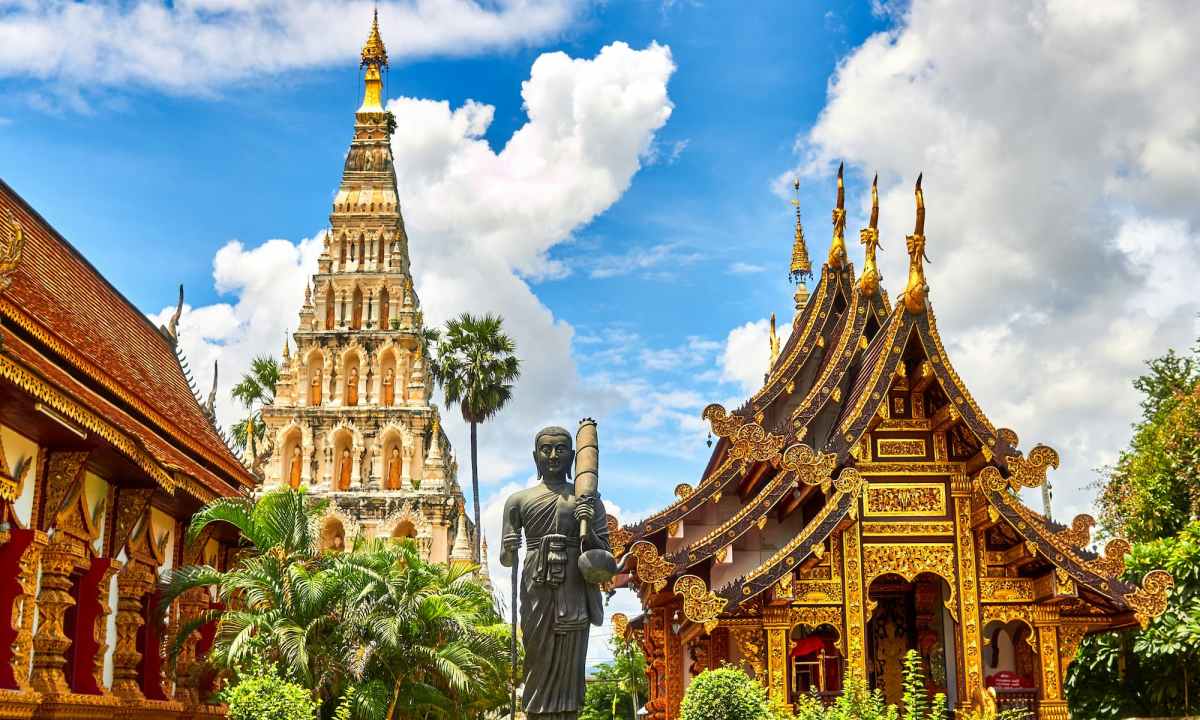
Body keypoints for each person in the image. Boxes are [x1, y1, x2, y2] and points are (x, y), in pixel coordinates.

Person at [500, 427, 611, 720]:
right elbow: (506, 558)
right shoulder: (518, 500)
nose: (552, 455)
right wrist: (511, 547)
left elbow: (605, 559)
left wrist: (588, 529)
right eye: (546, 449)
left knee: (570, 664)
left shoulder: (587, 500)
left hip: (574, 587)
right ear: (535, 457)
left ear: (573, 456)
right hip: (536, 588)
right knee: (538, 657)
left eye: (560, 449)